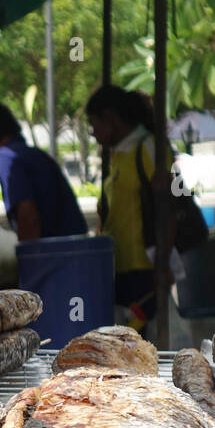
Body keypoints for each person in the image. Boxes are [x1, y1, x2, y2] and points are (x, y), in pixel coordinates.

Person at [85, 85, 177, 331]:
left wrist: (163, 264)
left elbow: (168, 206)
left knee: (138, 341)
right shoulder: (117, 154)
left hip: (143, 268)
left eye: (94, 124)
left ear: (110, 119)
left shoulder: (149, 148)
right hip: (119, 266)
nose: (93, 132)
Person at [0, 102, 86, 242]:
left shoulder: (6, 158)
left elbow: (28, 217)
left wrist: (25, 259)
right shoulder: (34, 154)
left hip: (56, 255)